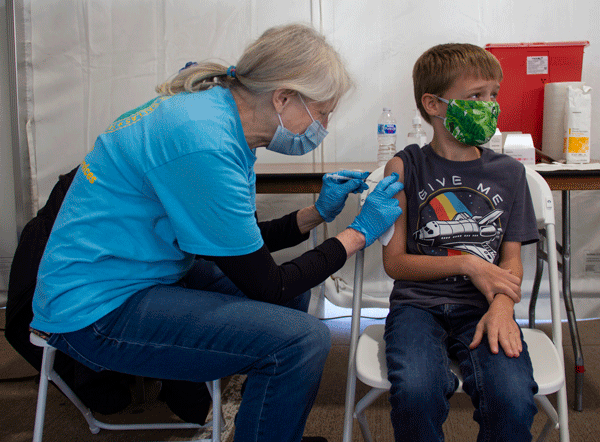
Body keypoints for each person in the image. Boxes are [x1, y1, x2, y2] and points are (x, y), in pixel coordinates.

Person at [30, 23, 403, 442]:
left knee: (299, 299)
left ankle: (262, 428)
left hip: (136, 273)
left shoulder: (215, 114)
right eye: (323, 112)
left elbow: (238, 246)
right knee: (302, 341)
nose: (325, 127)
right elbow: (268, 285)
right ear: (283, 97)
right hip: (95, 310)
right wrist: (358, 232)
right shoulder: (203, 140)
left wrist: (317, 213)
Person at [381, 43, 539, 442]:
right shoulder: (405, 166)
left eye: (493, 95)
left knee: (512, 396)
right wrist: (467, 263)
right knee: (416, 391)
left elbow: (512, 262)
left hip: (484, 305)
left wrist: (503, 306)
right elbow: (395, 263)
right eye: (475, 96)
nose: (489, 106)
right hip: (417, 305)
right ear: (433, 104)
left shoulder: (509, 173)